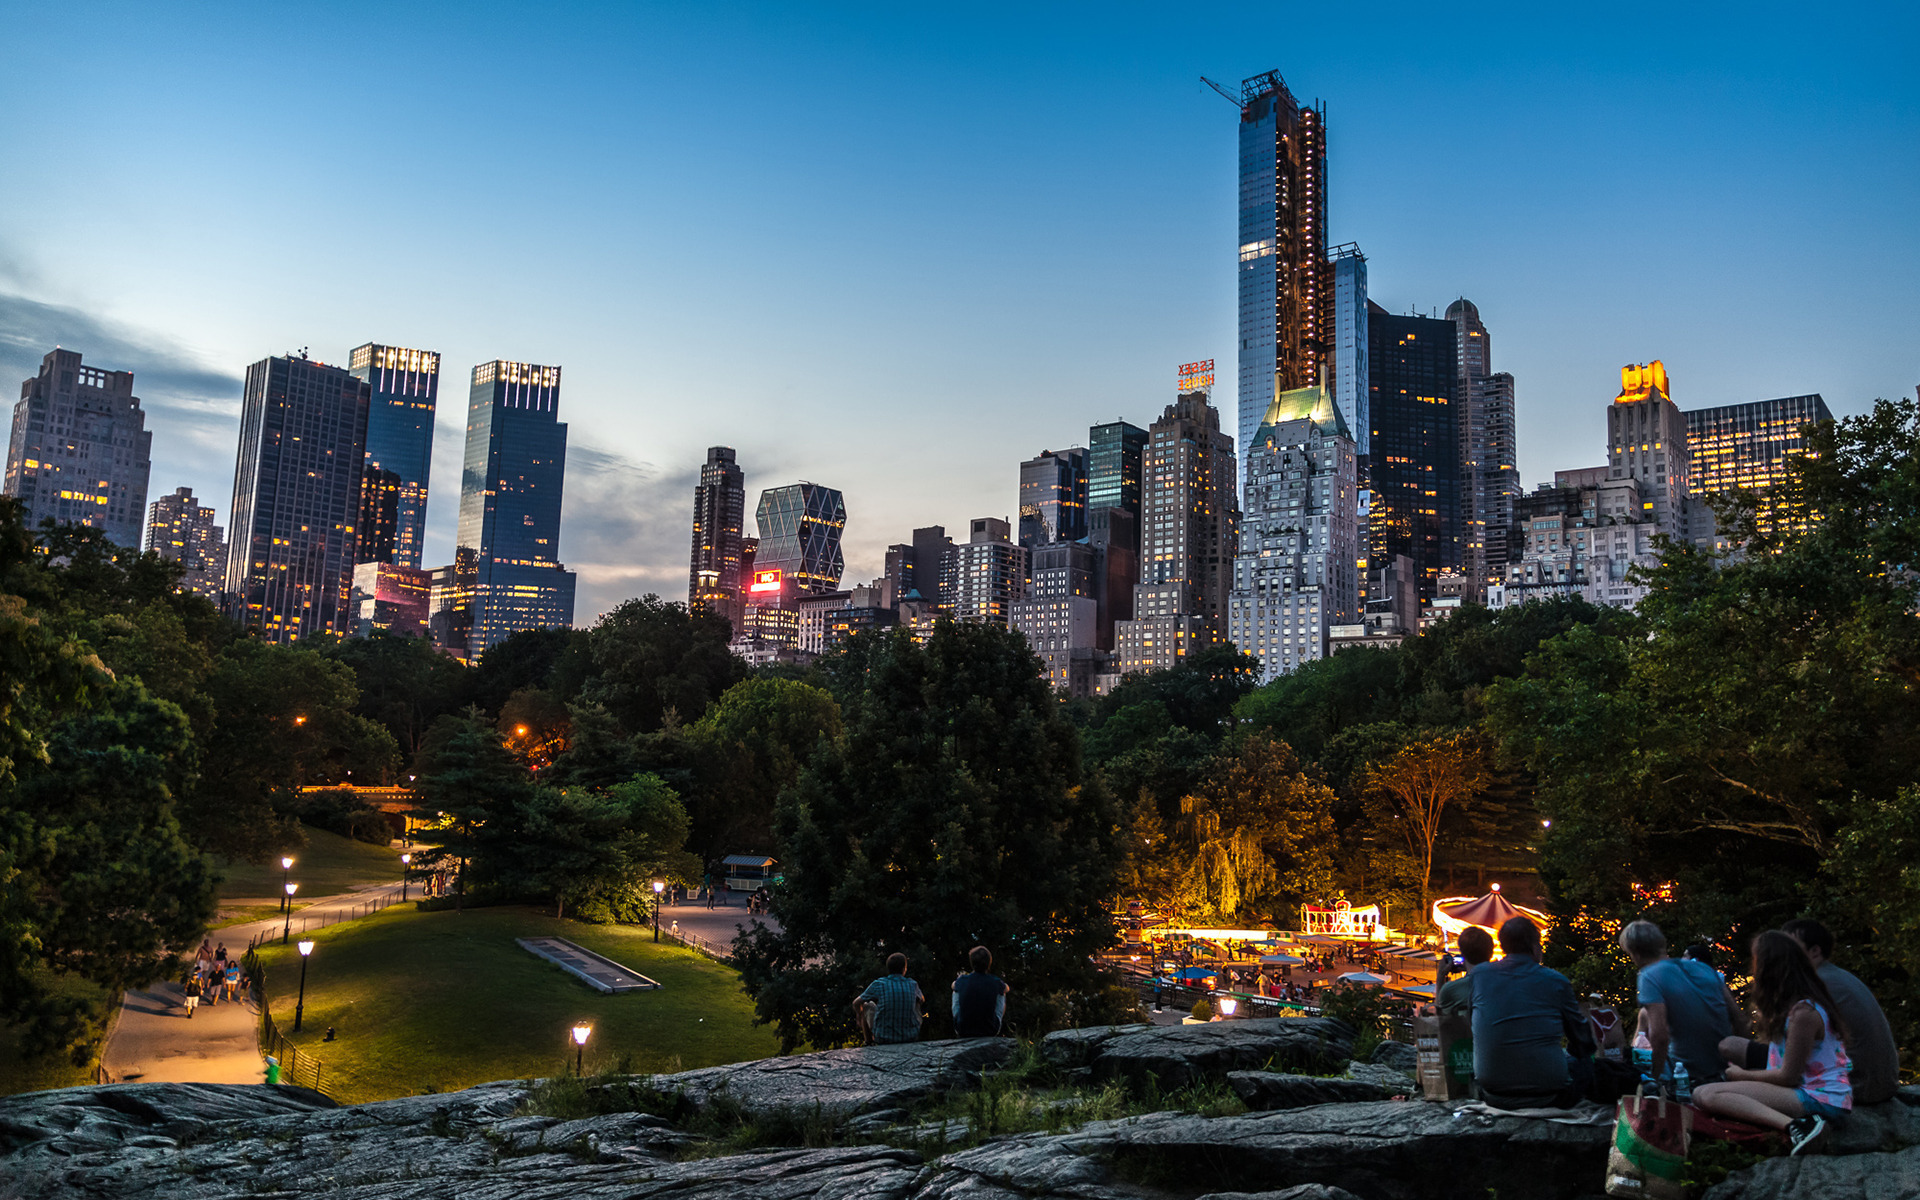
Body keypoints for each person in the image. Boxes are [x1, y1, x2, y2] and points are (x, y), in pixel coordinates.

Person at [1695, 931, 1851, 1155]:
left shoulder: (1803, 1013)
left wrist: (1741, 1075)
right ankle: (1797, 1124)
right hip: (1808, 1091)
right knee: (1701, 1093)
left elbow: (1788, 1076)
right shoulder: (1795, 1006)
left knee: (1708, 1095)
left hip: (1822, 1099)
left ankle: (1799, 1126)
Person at [1470, 917, 1595, 1109]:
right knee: (1587, 1064)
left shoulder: (1479, 975)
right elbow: (1582, 1040)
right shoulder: (1555, 981)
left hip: (1493, 1093)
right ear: (1534, 946)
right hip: (1549, 1093)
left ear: (1503, 945)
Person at [1620, 919, 1742, 1089]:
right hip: (1725, 1067)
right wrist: (1741, 1065)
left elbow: (1660, 1036)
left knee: (1626, 1072)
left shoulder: (1649, 976)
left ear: (1635, 953)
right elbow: (1738, 1018)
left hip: (1686, 1072)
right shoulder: (1705, 969)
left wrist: (1654, 1079)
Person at [854, 953, 925, 1045]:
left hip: (883, 1037)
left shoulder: (879, 983)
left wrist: (859, 1016)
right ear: (904, 969)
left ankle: (868, 1041)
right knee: (917, 1002)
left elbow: (856, 1003)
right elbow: (922, 1000)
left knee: (867, 1005)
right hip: (910, 1037)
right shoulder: (912, 984)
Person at [952, 945, 1010, 1037]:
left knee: (956, 990)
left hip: (962, 1029)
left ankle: (958, 1020)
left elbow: (953, 986)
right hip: (990, 1030)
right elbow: (1007, 989)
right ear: (989, 963)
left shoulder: (963, 980)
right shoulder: (995, 981)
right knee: (1002, 992)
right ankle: (995, 1023)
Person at [1438, 927, 1494, 1018]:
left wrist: (1440, 976)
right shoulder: (1504, 982)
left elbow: (1439, 1016)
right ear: (1491, 953)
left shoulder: (1452, 989)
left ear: (1462, 954)